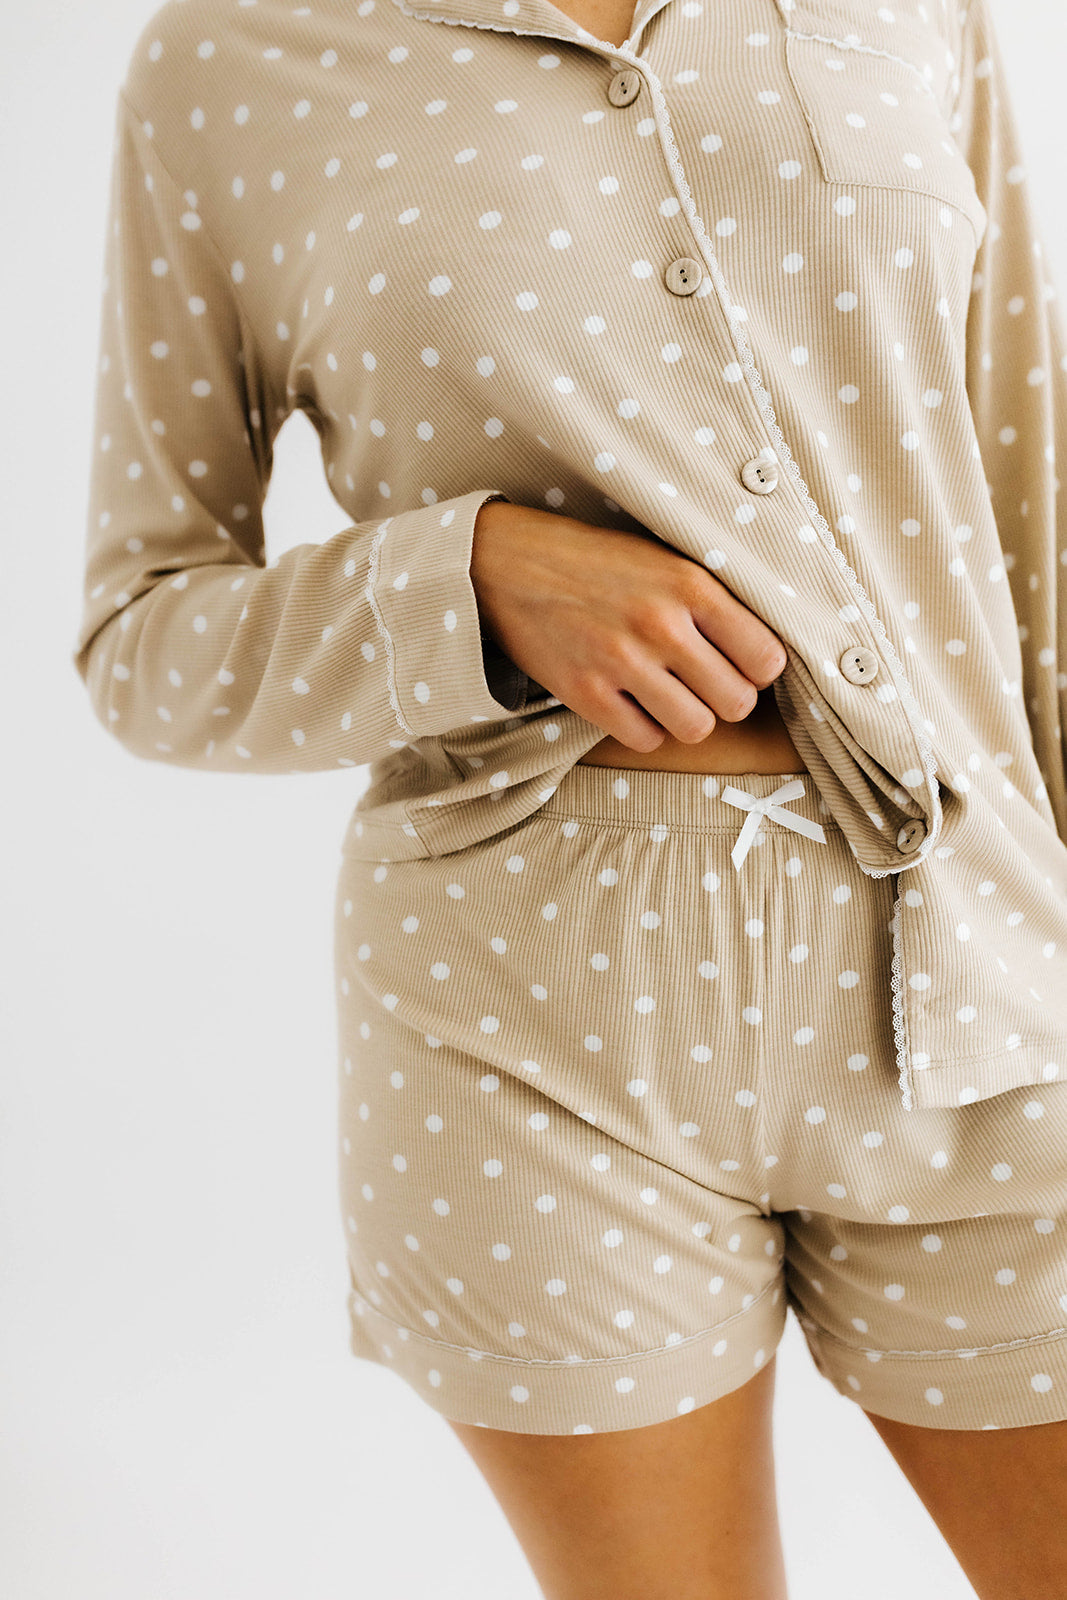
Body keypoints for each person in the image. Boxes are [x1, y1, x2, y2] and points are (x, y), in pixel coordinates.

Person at [73, 0, 1067, 1593]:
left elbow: (1033, 485)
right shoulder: (231, 57)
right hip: (523, 1020)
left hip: (986, 980)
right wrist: (459, 580)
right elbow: (143, 638)